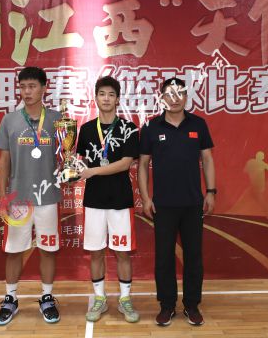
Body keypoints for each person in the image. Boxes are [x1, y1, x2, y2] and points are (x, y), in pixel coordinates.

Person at [137, 77, 216, 327]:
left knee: (194, 256)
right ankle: (167, 305)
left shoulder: (198, 124)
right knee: (164, 258)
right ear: (162, 98)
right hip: (163, 205)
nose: (174, 98)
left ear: (186, 97)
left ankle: (192, 305)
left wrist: (211, 192)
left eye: (179, 93)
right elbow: (142, 165)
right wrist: (145, 198)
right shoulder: (152, 127)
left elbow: (207, 159)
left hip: (193, 203)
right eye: (169, 94)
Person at [0, 66, 62, 325]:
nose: (27, 91)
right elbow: (4, 161)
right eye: (22, 87)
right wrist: (4, 197)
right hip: (19, 199)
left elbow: (66, 157)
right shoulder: (9, 120)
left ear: (44, 88)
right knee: (14, 250)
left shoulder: (57, 119)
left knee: (47, 250)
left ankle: (47, 297)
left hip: (48, 197)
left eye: (32, 86)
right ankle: (10, 298)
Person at [77, 76, 140, 323]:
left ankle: (125, 299)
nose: (106, 98)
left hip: (120, 200)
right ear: (95, 97)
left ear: (117, 99)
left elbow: (125, 163)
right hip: (94, 200)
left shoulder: (129, 128)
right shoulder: (86, 129)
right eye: (102, 94)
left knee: (122, 253)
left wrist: (92, 171)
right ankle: (100, 298)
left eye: (111, 94)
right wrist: (71, 171)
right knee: (96, 253)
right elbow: (81, 161)